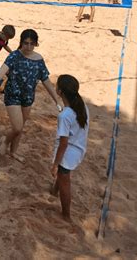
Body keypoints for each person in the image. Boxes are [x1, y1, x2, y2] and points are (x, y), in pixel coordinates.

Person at [0, 29, 62, 163]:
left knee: (20, 127)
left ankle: (13, 152)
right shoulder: (14, 56)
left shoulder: (39, 60)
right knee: (17, 127)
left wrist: (57, 101)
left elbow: (46, 82)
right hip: (12, 95)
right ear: (21, 42)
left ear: (36, 44)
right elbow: (0, 73)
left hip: (28, 98)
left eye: (31, 44)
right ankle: (5, 141)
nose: (28, 47)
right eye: (25, 43)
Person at [50, 74, 89, 222]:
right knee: (62, 175)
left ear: (59, 92)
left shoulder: (64, 116)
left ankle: (66, 215)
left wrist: (54, 164)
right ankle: (54, 191)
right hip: (79, 147)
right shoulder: (81, 105)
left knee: (64, 179)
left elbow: (63, 143)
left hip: (69, 153)